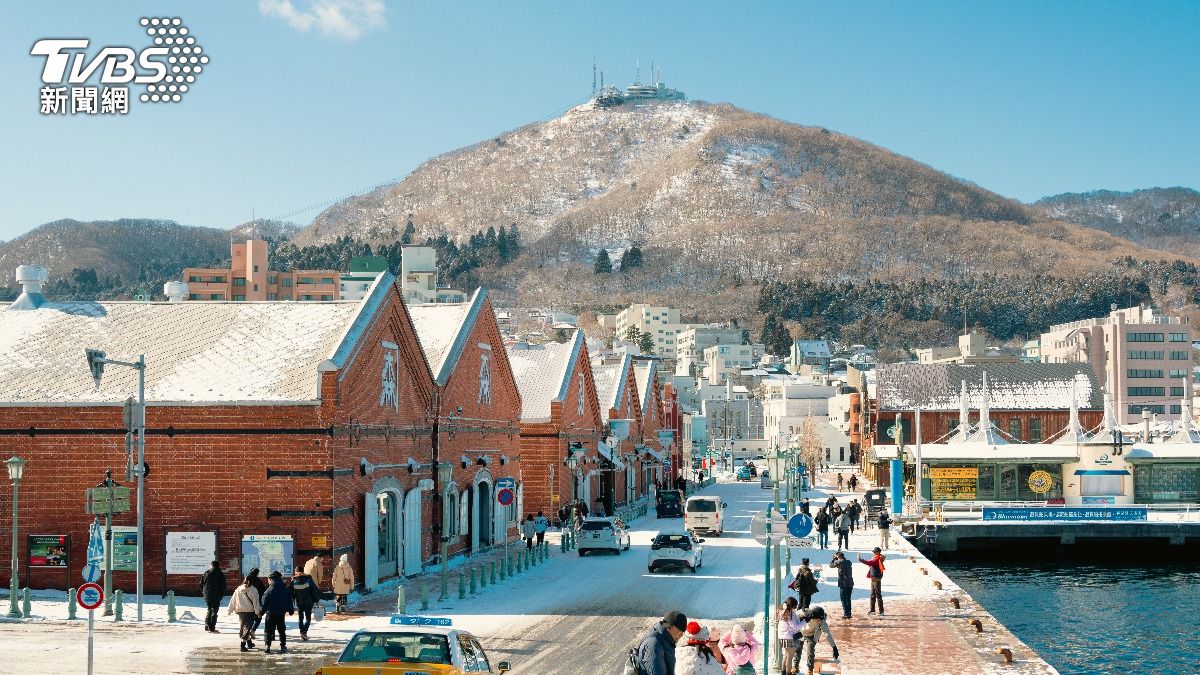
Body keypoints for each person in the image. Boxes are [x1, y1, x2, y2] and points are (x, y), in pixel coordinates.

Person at [637, 610, 688, 675]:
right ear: (670, 626)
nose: (681, 635)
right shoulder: (653, 644)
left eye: (683, 632)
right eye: (679, 631)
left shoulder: (667, 641)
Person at [259, 571, 295, 654]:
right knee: (282, 630)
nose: (268, 581)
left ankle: (267, 646)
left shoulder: (268, 591)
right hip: (281, 613)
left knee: (268, 630)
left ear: (271, 580)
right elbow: (289, 600)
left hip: (270, 614)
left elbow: (264, 603)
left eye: (268, 580)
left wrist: (261, 612)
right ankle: (283, 646)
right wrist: (291, 610)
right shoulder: (285, 590)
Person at [797, 606, 839, 675]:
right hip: (800, 632)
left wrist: (834, 647)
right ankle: (795, 667)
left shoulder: (821, 619)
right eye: (818, 619)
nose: (819, 621)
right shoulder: (804, 613)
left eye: (820, 619)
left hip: (812, 635)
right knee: (798, 649)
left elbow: (827, 633)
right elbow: (794, 617)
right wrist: (800, 619)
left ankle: (810, 670)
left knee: (810, 652)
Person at [227, 575, 261, 652]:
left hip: (240, 611)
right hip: (250, 611)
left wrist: (230, 610)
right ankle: (242, 645)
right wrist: (258, 612)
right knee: (247, 628)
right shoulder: (253, 590)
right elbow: (256, 603)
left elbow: (233, 600)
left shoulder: (238, 589)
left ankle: (249, 643)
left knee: (244, 627)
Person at [288, 566, 320, 640]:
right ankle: (304, 632)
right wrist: (316, 600)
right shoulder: (308, 579)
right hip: (309, 602)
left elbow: (291, 593)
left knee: (300, 619)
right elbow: (313, 591)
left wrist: (291, 603)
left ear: (296, 572)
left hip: (299, 603)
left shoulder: (294, 581)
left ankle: (302, 632)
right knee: (308, 619)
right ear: (303, 571)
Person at [777, 598, 805, 675]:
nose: (795, 608)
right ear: (792, 606)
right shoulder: (789, 613)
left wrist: (800, 619)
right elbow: (795, 627)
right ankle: (788, 673)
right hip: (790, 638)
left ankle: (783, 673)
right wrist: (804, 621)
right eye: (795, 607)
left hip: (783, 637)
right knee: (789, 658)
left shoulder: (782, 610)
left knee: (786, 657)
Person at [200, 560, 226, 633]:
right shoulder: (220, 574)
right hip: (216, 595)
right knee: (214, 611)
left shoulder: (206, 573)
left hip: (207, 595)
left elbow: (201, 584)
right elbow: (223, 586)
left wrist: (204, 592)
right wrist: (221, 594)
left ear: (211, 565)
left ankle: (207, 623)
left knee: (209, 609)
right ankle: (212, 627)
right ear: (218, 566)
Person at [859, 547, 886, 615]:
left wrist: (860, 560)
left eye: (874, 552)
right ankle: (872, 610)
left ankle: (881, 611)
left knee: (878, 594)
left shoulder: (877, 558)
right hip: (873, 578)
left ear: (878, 552)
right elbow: (871, 564)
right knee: (873, 594)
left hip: (876, 578)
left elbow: (869, 563)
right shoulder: (876, 557)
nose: (873, 553)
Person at [829, 552, 854, 619]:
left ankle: (846, 613)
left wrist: (833, 559)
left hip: (843, 583)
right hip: (850, 582)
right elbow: (844, 561)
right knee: (848, 598)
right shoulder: (849, 562)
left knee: (843, 598)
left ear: (838, 557)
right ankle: (849, 613)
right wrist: (837, 558)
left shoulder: (839, 562)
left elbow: (831, 565)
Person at [246, 568, 267, 638]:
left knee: (249, 619)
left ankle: (247, 633)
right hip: (256, 602)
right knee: (258, 618)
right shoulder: (258, 581)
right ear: (257, 573)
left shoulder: (246, 580)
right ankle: (252, 630)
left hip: (246, 603)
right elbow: (263, 591)